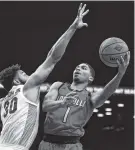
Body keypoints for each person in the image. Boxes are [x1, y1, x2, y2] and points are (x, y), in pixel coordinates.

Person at [0, 3, 89, 150]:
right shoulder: (28, 87)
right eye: (23, 74)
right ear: (16, 81)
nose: (28, 74)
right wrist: (73, 28)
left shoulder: (3, 102)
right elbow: (53, 57)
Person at [39, 4, 130, 150]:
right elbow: (45, 106)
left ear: (90, 78)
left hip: (72, 145)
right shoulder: (58, 85)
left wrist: (120, 74)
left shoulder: (90, 98)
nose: (78, 69)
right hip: (48, 143)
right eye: (77, 67)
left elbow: (107, 92)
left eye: (83, 68)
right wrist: (62, 103)